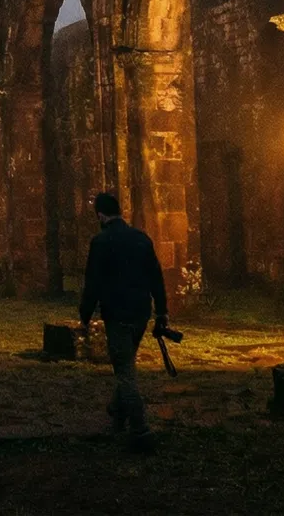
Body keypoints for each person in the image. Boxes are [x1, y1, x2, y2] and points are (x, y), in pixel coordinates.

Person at [78, 191, 168, 451]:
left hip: (117, 313)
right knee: (125, 361)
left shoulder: (101, 241)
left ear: (100, 215)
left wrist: (85, 314)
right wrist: (162, 310)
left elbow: (92, 282)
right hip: (141, 312)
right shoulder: (141, 239)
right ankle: (116, 411)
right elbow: (156, 276)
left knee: (125, 372)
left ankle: (140, 429)